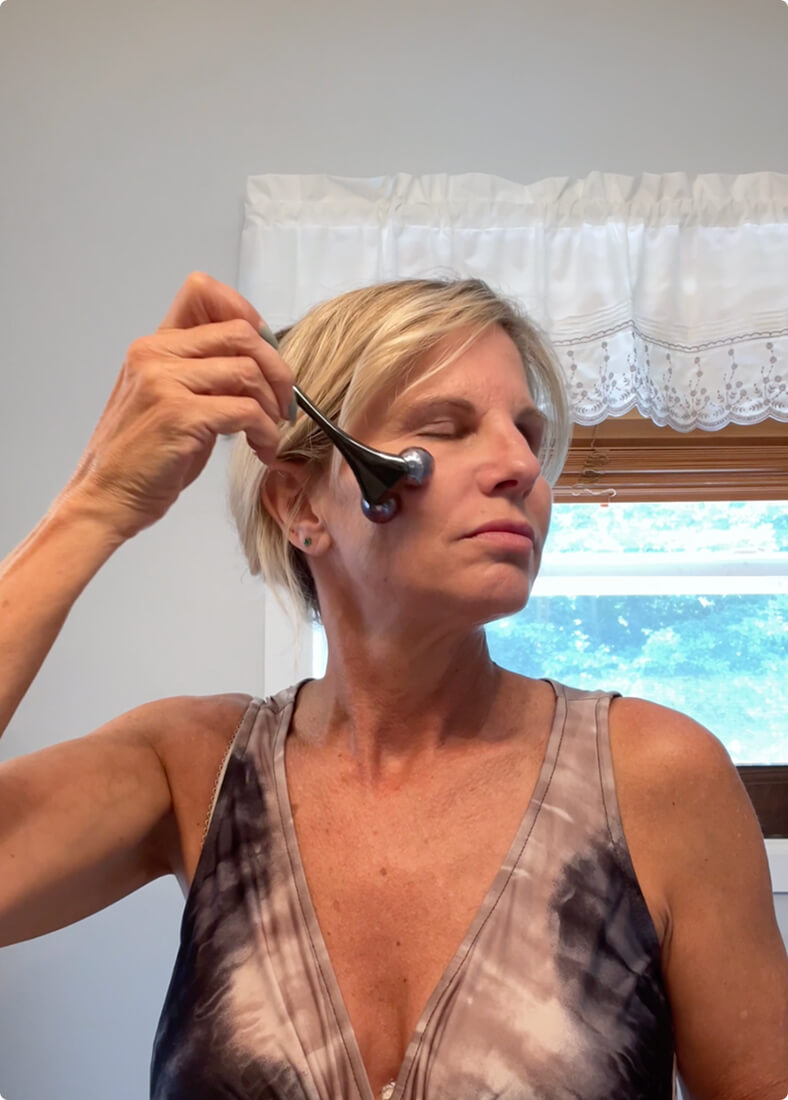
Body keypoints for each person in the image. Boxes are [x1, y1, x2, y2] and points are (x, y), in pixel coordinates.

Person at [0, 272, 786, 1100]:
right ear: (301, 505)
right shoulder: (189, 769)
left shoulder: (661, 779)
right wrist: (97, 504)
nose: (519, 465)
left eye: (527, 431)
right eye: (446, 429)